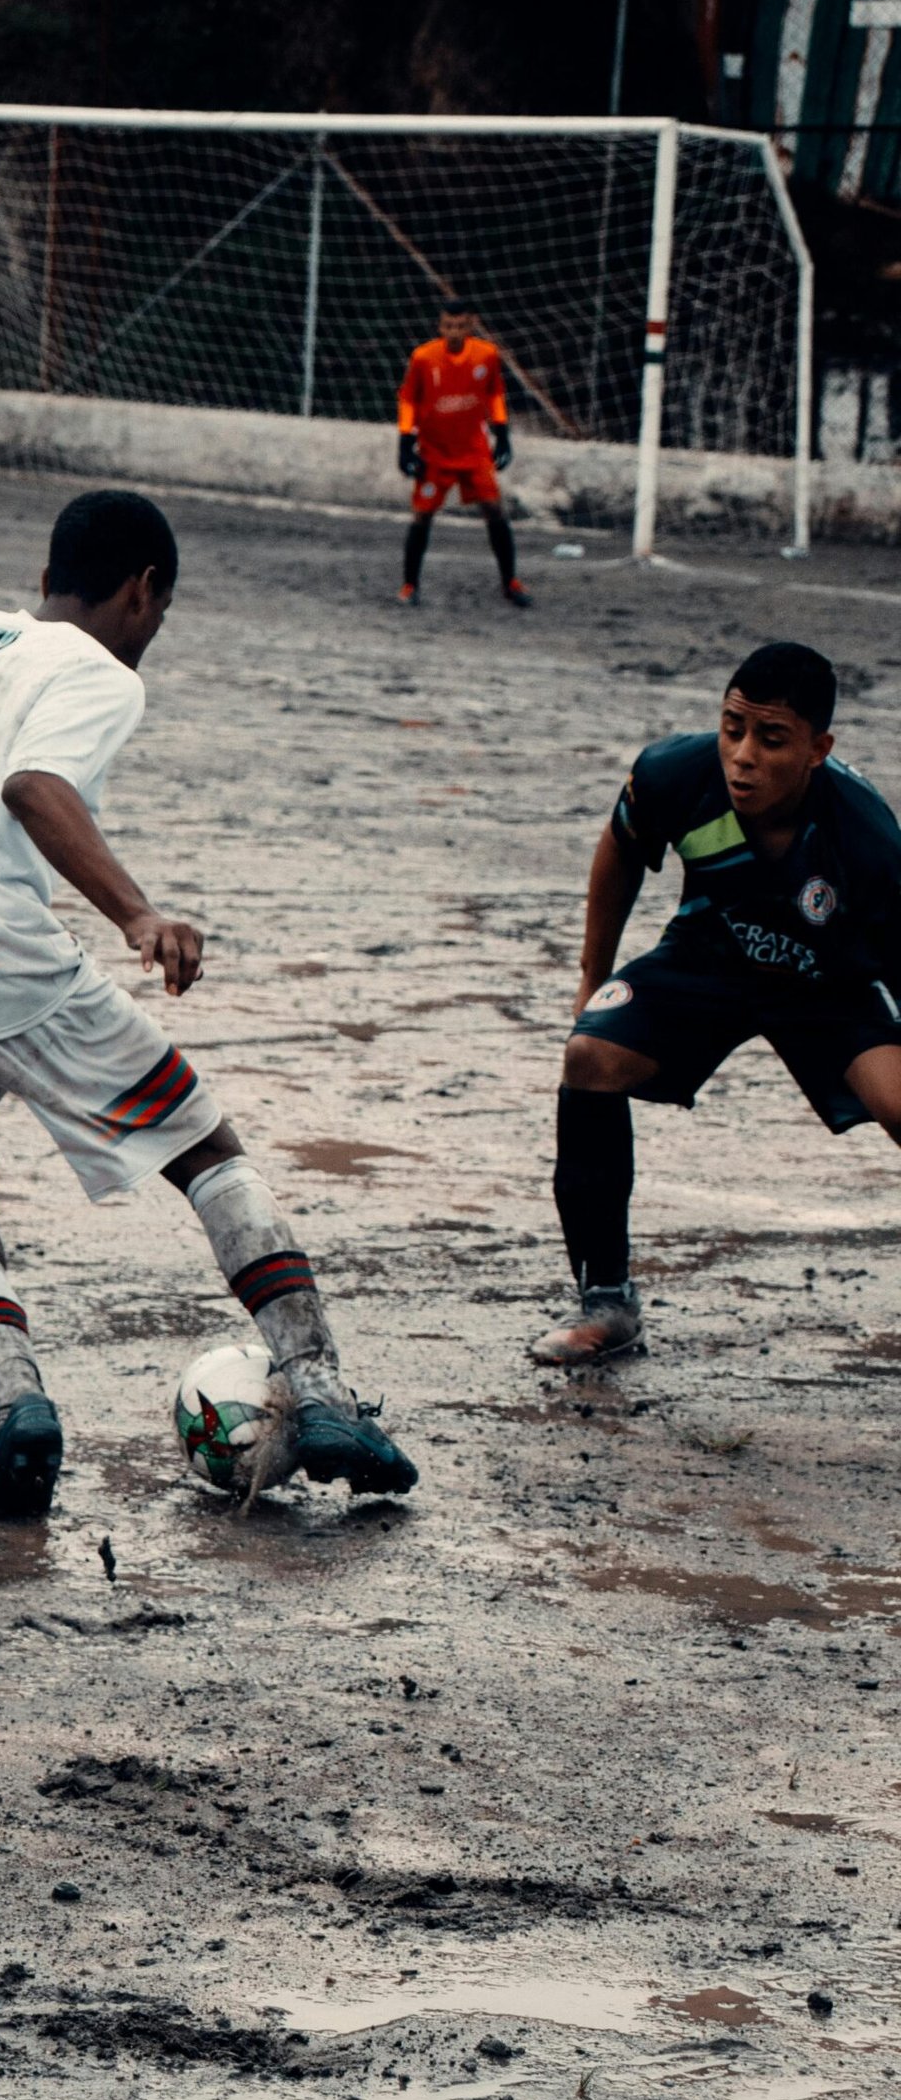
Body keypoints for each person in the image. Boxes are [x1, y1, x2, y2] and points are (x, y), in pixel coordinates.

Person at [0, 489, 418, 1518]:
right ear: (143, 590)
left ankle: (20, 1414)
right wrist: (137, 915)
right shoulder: (93, 669)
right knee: (201, 1146)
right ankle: (318, 1391)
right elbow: (36, 787)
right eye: (159, 617)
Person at [536, 641, 901, 1365]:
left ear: (817, 749)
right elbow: (618, 851)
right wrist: (591, 977)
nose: (742, 755)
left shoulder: (868, 841)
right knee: (589, 1056)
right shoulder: (674, 773)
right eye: (733, 726)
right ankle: (607, 1304)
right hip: (712, 956)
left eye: (771, 739)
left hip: (828, 985)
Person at [396, 299, 530, 610]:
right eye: (447, 326)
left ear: (471, 326)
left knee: (494, 509)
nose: (453, 332)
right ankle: (409, 585)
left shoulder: (487, 355)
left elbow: (494, 393)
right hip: (435, 451)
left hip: (474, 451)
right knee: (422, 515)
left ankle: (510, 582)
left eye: (460, 326)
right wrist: (405, 442)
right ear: (440, 327)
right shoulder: (423, 357)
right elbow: (408, 400)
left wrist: (503, 435)